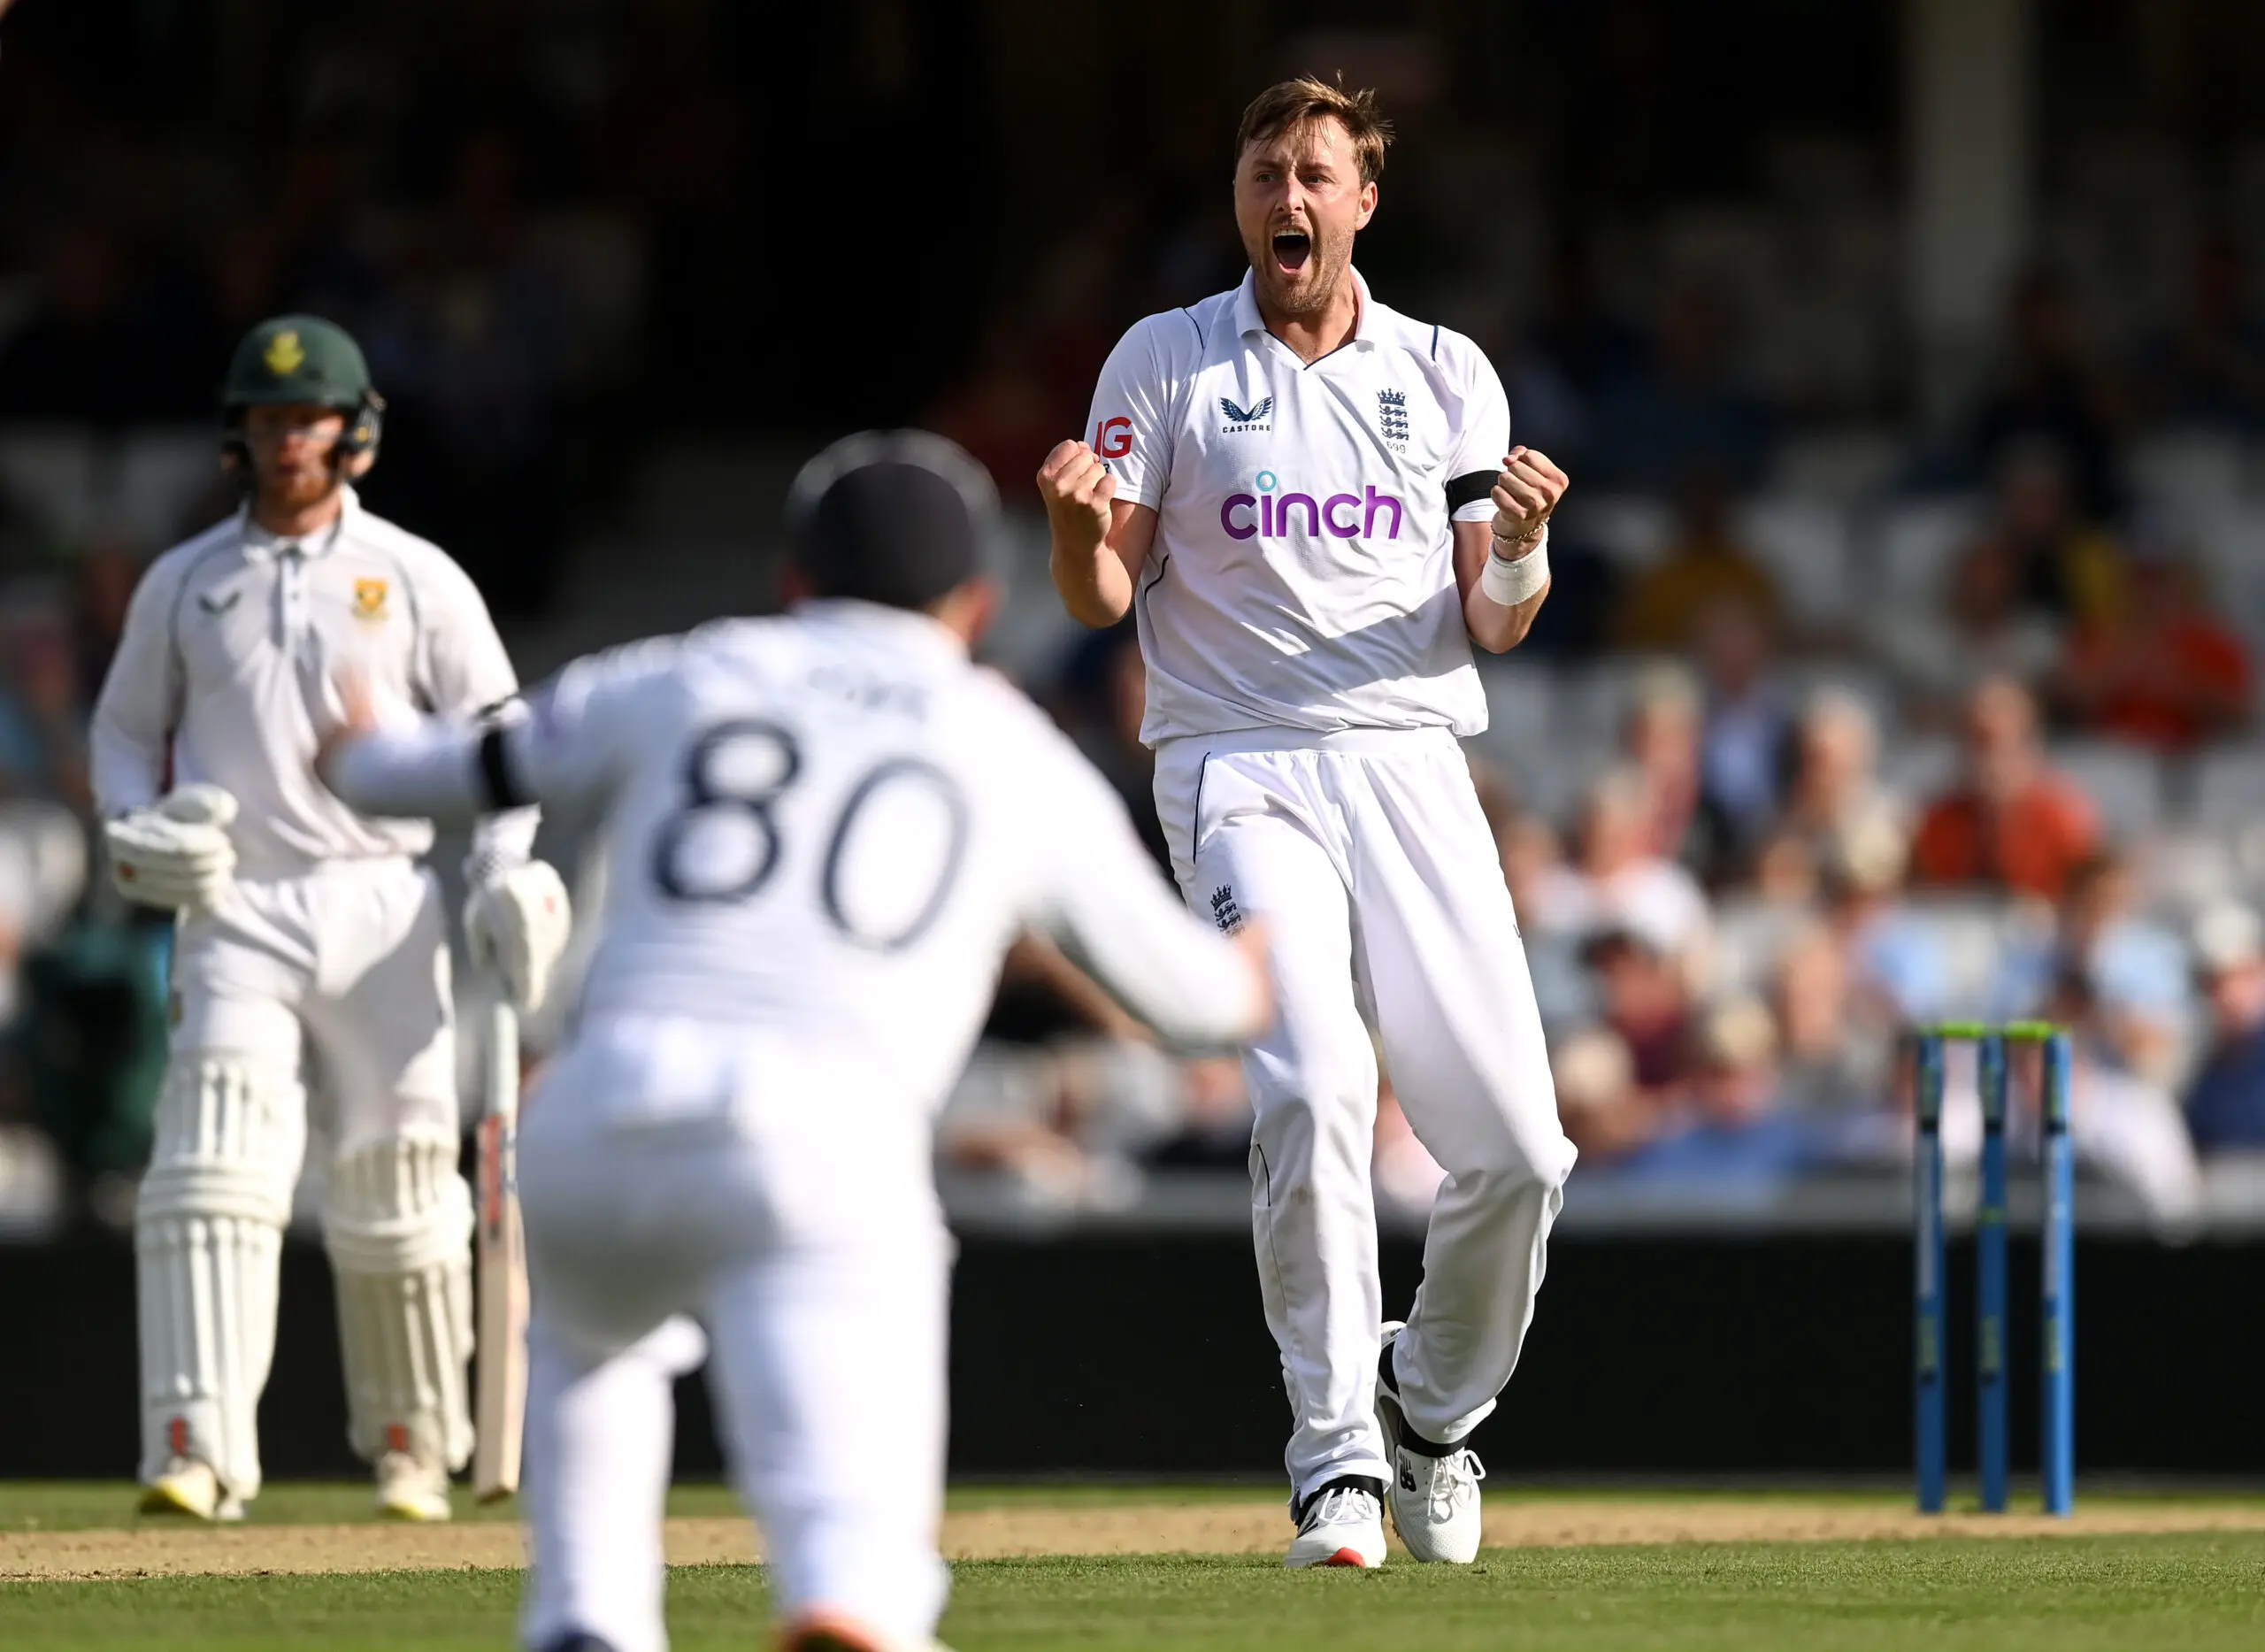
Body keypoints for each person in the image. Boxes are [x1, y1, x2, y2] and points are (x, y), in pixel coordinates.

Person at [319, 432, 1271, 1652]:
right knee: (853, 1556)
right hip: (821, 1132)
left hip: (595, 1109)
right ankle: (846, 1595)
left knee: (592, 1347)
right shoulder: (1003, 737)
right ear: (976, 605)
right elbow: (1200, 1005)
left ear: (793, 579)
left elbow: (419, 771)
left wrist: (355, 731)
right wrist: (1262, 950)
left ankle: (585, 1615)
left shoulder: (688, 670)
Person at [1039, 76, 1578, 1570]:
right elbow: (1102, 592)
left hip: (1411, 756)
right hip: (1238, 760)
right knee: (1316, 1081)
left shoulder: (1445, 371)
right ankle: (1336, 1456)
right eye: (1264, 171)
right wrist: (1074, 530)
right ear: (1241, 199)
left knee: (1520, 1148)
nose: (1288, 195)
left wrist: (1524, 547)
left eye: (1314, 173)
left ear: (1362, 203)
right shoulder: (1167, 357)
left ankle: (1431, 1410)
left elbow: (1494, 615)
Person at [88, 316, 572, 1524]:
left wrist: (503, 868)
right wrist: (136, 828)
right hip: (236, 898)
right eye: (268, 419)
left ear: (352, 432)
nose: (288, 440)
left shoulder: (413, 574)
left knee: (400, 1182)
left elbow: (501, 734)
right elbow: (122, 733)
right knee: (212, 1172)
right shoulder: (186, 580)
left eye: (307, 419)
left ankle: (412, 1448)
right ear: (239, 433)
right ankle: (195, 1448)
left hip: (384, 902)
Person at [1909, 673, 2100, 902]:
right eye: (1973, 742)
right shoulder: (1940, 819)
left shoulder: (2062, 817)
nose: (1985, 759)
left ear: (2029, 745)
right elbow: (1921, 897)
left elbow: (2085, 898)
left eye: (1995, 743)